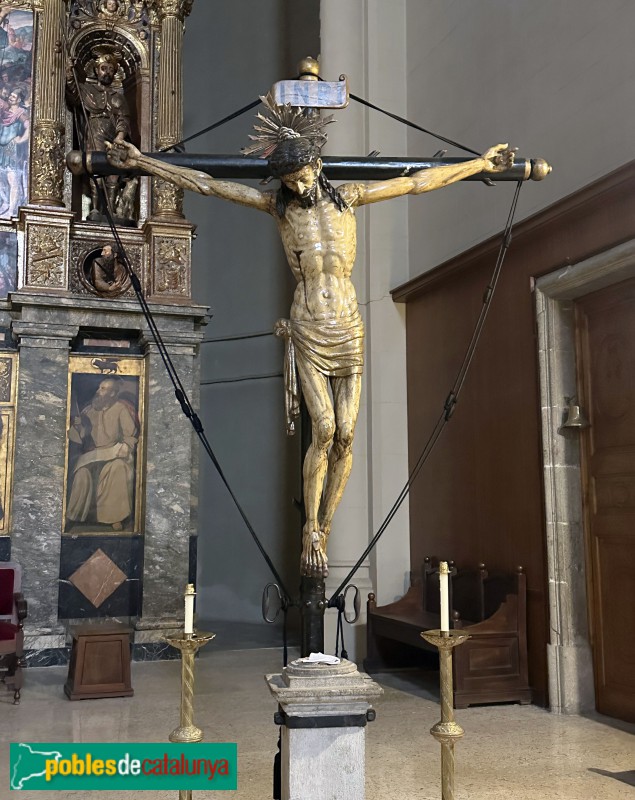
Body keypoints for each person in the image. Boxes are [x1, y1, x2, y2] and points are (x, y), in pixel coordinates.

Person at [106, 98, 514, 576]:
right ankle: (312, 530)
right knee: (322, 429)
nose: (297, 185)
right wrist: (141, 162)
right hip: (308, 326)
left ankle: (326, 521)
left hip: (347, 326)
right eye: (288, 180)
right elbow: (207, 184)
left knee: (346, 435)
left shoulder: (352, 199)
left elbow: (416, 182)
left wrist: (479, 164)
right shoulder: (277, 209)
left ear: (317, 165)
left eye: (302, 175)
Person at [66, 45, 131, 221]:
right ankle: (95, 209)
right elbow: (73, 93)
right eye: (104, 69)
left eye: (111, 70)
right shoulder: (89, 90)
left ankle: (110, 209)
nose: (107, 72)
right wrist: (70, 71)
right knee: (96, 168)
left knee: (114, 173)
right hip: (95, 130)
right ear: (97, 70)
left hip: (114, 136)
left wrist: (120, 136)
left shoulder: (118, 97)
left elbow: (123, 118)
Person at [67, 377, 138, 531]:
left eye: (103, 389)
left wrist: (126, 445)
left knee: (117, 468)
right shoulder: (88, 410)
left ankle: (114, 518)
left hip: (114, 453)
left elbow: (130, 435)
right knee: (82, 473)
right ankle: (76, 517)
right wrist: (79, 427)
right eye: (99, 388)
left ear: (113, 394)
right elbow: (79, 438)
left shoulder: (120, 409)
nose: (98, 392)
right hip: (93, 455)